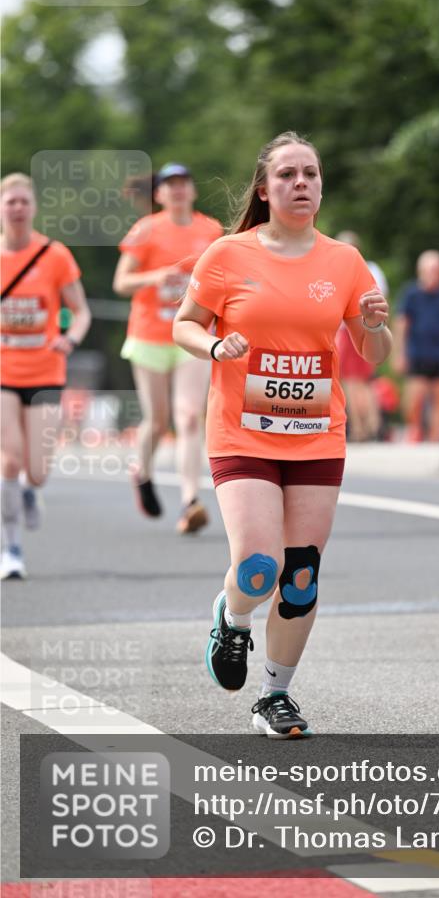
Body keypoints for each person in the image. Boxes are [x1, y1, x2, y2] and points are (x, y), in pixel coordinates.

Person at [173, 131, 390, 737]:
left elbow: (374, 353)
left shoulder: (344, 262)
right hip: (242, 432)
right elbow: (184, 324)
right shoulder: (227, 254)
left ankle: (275, 695)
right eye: (288, 175)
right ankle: (233, 616)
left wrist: (376, 326)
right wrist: (215, 346)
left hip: (316, 434)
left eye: (311, 174)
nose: (301, 183)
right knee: (258, 565)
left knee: (299, 578)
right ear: (265, 190)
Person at [113, 163, 222, 534]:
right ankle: (142, 471)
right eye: (169, 184)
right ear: (158, 194)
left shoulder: (211, 231)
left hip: (193, 334)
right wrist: (155, 277)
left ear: (193, 191)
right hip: (149, 336)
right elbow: (121, 282)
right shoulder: (146, 230)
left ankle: (191, 500)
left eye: (183, 183)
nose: (177, 189)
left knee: (189, 415)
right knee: (158, 421)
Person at [1, 173, 91, 579]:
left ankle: (30, 491)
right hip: (3, 372)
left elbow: (81, 310)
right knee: (9, 459)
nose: (17, 208)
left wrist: (70, 338)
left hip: (45, 372)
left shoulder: (54, 256)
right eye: (10, 202)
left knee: (37, 469)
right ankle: (11, 547)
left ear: (34, 207)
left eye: (24, 201)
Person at [393, 250, 439, 442]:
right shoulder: (411, 294)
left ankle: (435, 436)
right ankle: (414, 429)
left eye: (438, 271)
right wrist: (399, 353)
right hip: (417, 352)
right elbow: (401, 324)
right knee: (414, 397)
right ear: (421, 271)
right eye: (431, 270)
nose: (434, 274)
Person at [334, 231, 389, 442]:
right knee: (360, 381)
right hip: (358, 328)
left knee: (354, 381)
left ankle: (362, 427)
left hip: (354, 327)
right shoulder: (372, 269)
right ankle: (370, 425)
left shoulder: (352, 270)